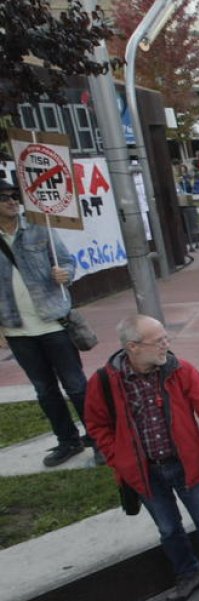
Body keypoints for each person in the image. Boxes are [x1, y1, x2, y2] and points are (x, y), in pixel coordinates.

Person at [84, 314, 199, 601]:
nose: (166, 345)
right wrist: (119, 458)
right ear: (133, 347)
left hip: (187, 467)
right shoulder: (104, 381)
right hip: (144, 474)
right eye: (158, 340)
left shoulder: (181, 371)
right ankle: (189, 574)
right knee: (168, 529)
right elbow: (97, 425)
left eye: (165, 338)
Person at [0, 179, 94, 467]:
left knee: (76, 386)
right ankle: (67, 441)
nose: (12, 201)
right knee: (44, 390)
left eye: (14, 196)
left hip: (53, 320)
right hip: (16, 328)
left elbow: (67, 261)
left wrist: (64, 273)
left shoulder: (39, 228)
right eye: (4, 198)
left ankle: (100, 438)